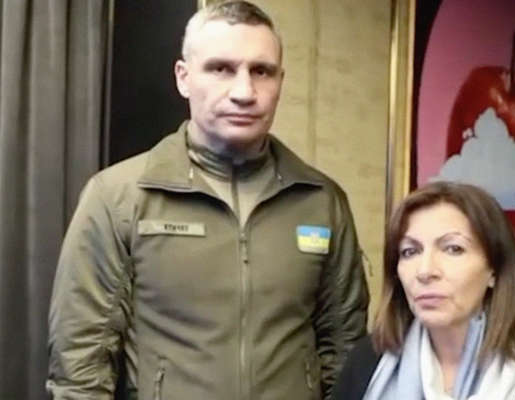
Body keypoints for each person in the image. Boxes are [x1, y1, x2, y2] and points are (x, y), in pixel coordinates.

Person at [47, 2, 368, 399]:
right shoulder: (118, 198)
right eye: (221, 69)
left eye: (261, 71)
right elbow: (80, 362)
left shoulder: (322, 202)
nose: (244, 92)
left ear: (280, 81)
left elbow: (345, 352)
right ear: (183, 78)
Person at [332, 181, 515, 400]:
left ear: (493, 269)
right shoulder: (367, 361)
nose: (425, 271)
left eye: (453, 249)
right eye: (410, 251)